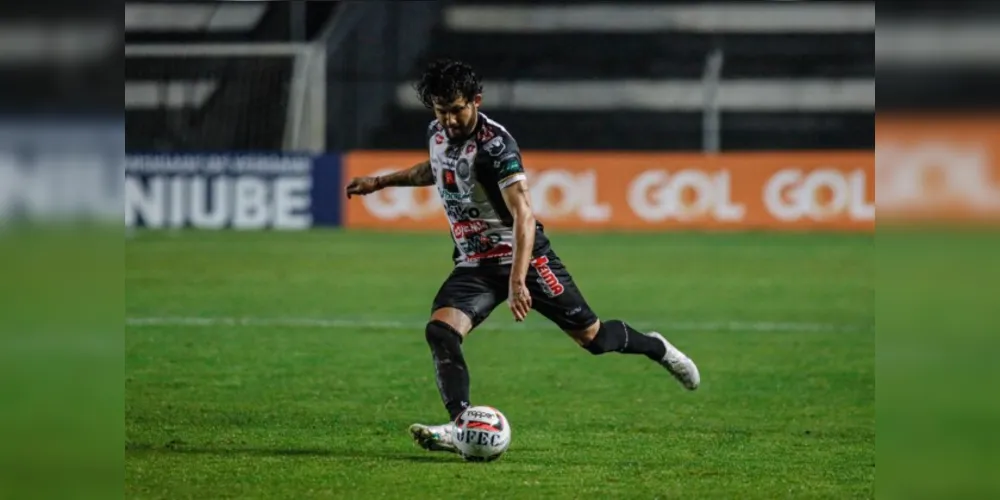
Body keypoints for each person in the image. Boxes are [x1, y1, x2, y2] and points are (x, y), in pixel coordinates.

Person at [345, 59, 700, 454]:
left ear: (476, 101)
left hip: (525, 258)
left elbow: (525, 216)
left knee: (594, 339)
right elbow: (435, 169)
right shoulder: (438, 132)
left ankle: (657, 348)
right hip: (474, 265)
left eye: (457, 109)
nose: (449, 120)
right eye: (441, 111)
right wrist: (379, 182)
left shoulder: (496, 146)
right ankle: (459, 423)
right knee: (440, 332)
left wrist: (517, 281)